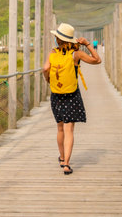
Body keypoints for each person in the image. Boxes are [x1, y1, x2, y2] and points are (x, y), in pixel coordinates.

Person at [42, 23, 101, 175]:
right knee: (69, 130)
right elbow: (97, 60)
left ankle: (61, 158)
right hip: (71, 95)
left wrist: (48, 79)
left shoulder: (52, 52)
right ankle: (67, 164)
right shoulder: (76, 54)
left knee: (60, 127)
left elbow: (45, 69)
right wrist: (87, 44)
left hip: (56, 95)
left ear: (58, 39)